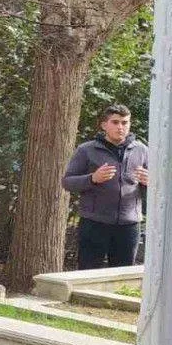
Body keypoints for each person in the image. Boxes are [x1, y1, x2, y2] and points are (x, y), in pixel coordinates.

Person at [62, 104, 149, 269]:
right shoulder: (87, 150)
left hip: (128, 225)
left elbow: (156, 187)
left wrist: (149, 182)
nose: (120, 127)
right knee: (88, 274)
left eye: (124, 122)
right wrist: (92, 178)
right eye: (115, 122)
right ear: (104, 125)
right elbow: (67, 182)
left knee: (123, 276)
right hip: (94, 223)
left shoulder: (142, 150)